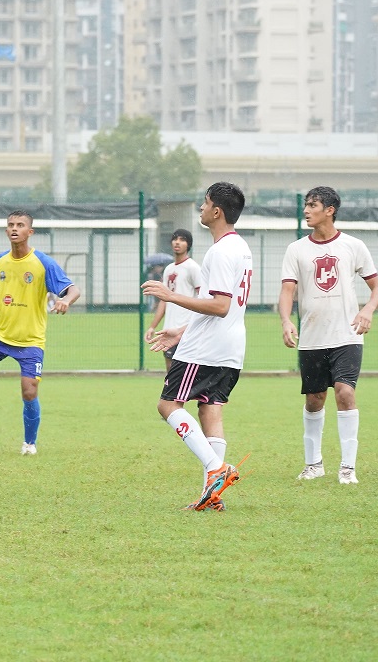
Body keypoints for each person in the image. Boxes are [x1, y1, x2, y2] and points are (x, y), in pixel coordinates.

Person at [141, 182, 251, 512]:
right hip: (230, 347)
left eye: (204, 203)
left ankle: (217, 468)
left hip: (206, 348)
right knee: (209, 410)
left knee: (167, 405)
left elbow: (220, 306)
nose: (200, 209)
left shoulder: (220, 251)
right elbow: (224, 305)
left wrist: (171, 296)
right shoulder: (241, 247)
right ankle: (212, 494)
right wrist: (181, 331)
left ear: (217, 211)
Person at [277, 186, 378, 486]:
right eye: (306, 205)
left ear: (330, 210)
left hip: (347, 335)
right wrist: (286, 320)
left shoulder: (353, 246)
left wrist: (368, 310)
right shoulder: (296, 249)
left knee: (345, 392)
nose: (306, 210)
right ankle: (314, 465)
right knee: (315, 400)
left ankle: (348, 468)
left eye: (313, 205)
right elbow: (287, 290)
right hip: (312, 338)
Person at [0, 210, 80, 455]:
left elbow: (73, 289)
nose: (15, 228)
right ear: (6, 230)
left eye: (20, 225)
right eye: (11, 224)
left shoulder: (43, 263)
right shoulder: (0, 261)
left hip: (30, 339)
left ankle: (29, 444)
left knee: (29, 391)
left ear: (30, 232)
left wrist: (66, 301)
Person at [144, 229, 203, 372]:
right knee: (170, 371)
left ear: (188, 245)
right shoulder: (169, 269)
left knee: (185, 373)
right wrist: (152, 326)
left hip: (186, 330)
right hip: (169, 329)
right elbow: (164, 300)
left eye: (182, 239)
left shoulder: (193, 268)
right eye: (175, 239)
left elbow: (203, 298)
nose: (177, 242)